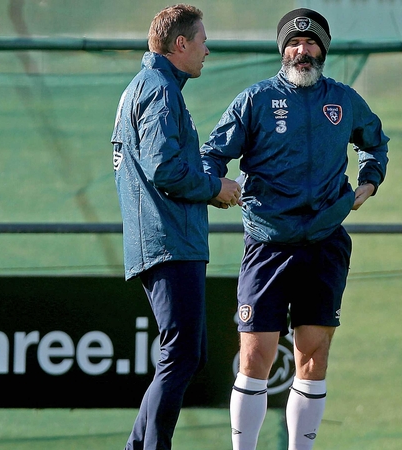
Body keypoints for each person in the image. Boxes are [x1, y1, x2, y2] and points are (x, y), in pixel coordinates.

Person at [200, 8, 389, 450]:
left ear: (322, 49)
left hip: (325, 243)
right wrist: (218, 188)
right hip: (269, 245)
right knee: (255, 356)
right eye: (293, 43)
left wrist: (371, 180)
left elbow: (374, 140)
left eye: (310, 43)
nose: (301, 51)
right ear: (282, 50)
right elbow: (213, 154)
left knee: (313, 355)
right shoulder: (256, 100)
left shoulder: (342, 100)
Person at [111, 4, 241, 450]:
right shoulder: (160, 90)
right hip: (169, 242)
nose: (208, 49)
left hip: (160, 240)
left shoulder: (144, 86)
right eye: (202, 40)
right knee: (182, 355)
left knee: (185, 353)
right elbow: (164, 169)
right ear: (180, 43)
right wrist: (214, 187)